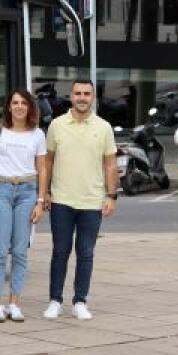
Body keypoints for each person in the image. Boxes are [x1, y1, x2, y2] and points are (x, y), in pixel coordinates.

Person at [43, 79, 117, 320]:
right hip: (61, 199)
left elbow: (110, 164)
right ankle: (55, 300)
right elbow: (48, 161)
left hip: (92, 201)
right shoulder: (56, 125)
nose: (82, 98)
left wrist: (111, 195)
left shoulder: (104, 127)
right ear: (71, 96)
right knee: (60, 252)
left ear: (93, 97)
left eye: (87, 93)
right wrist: (44, 193)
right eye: (78, 93)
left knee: (86, 253)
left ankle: (80, 301)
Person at [0, 89, 49, 323]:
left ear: (29, 107)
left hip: (27, 192)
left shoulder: (38, 134)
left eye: (23, 103)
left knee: (20, 251)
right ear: (8, 107)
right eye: (15, 102)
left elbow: (42, 169)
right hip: (1, 189)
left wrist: (40, 201)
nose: (19, 106)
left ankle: (14, 303)